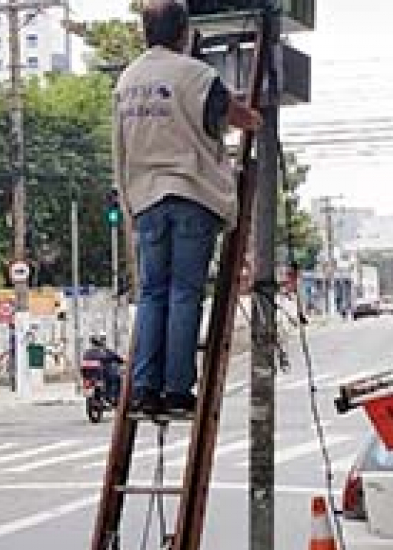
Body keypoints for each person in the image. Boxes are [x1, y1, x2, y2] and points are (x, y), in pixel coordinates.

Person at [113, 0, 262, 417]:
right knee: (184, 294)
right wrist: (257, 120)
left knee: (153, 294)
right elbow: (236, 117)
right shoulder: (197, 75)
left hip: (145, 199)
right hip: (192, 193)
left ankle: (144, 388)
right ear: (185, 33)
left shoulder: (127, 80)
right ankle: (178, 389)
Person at [82, 334, 124, 402]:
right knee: (116, 378)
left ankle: (111, 397)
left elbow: (83, 366)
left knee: (113, 378)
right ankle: (113, 397)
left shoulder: (87, 352)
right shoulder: (105, 351)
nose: (103, 341)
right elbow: (118, 359)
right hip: (101, 375)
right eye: (103, 339)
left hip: (90, 376)